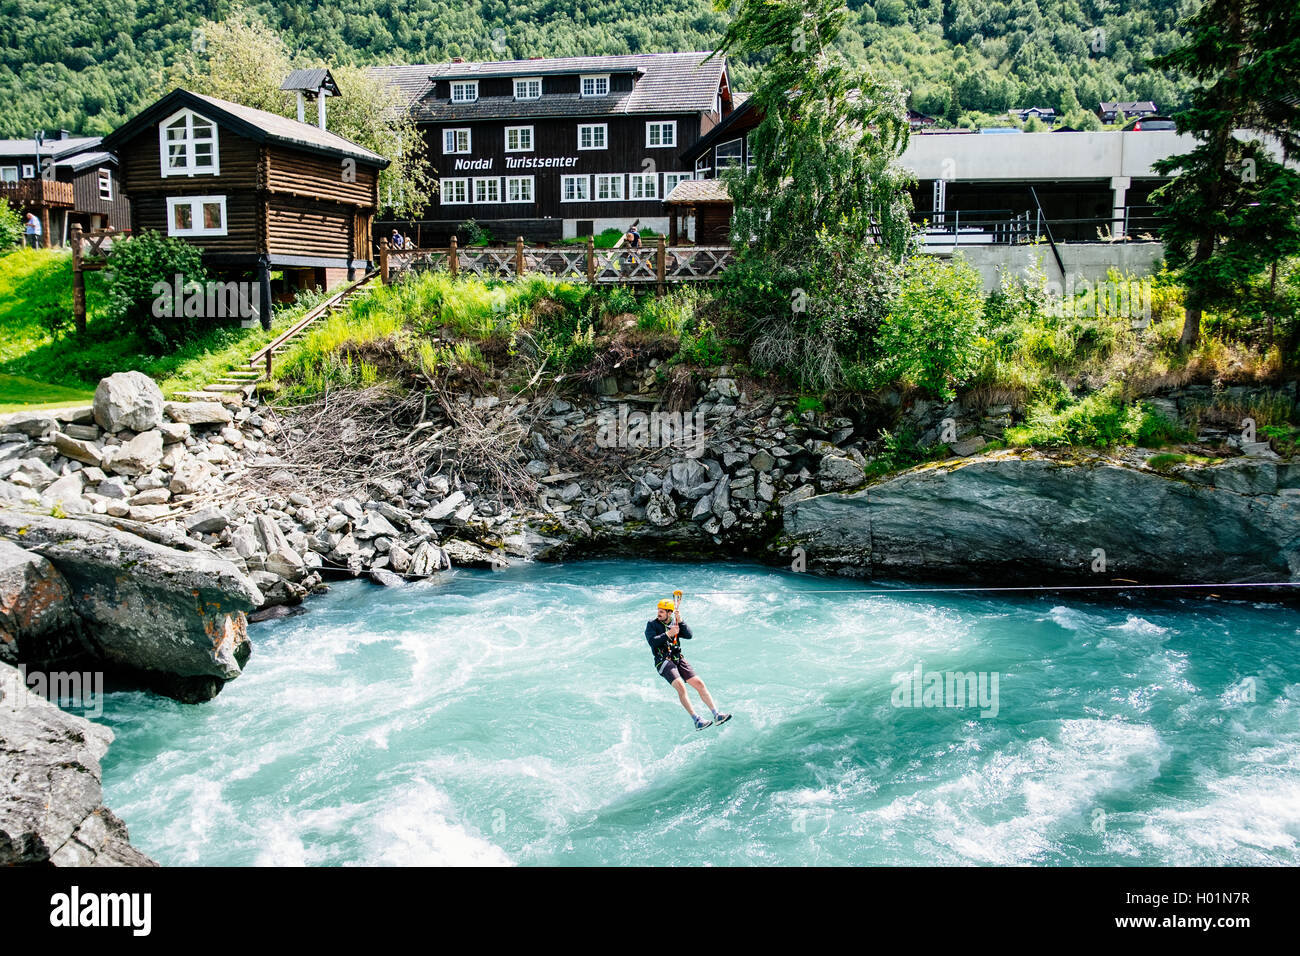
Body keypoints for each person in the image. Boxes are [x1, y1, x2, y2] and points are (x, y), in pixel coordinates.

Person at [645, 598, 730, 730]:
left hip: (677, 658)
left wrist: (681, 621)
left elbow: (689, 635)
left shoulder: (675, 622)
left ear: (669, 613)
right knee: (681, 686)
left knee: (699, 684)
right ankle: (696, 720)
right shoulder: (651, 624)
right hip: (663, 661)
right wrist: (668, 634)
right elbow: (652, 642)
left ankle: (716, 714)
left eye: (662, 612)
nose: (658, 613)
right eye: (658, 611)